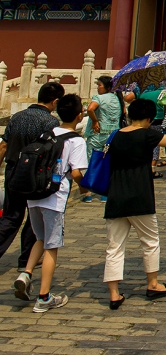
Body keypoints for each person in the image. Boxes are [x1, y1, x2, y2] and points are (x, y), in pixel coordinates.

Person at [104, 99, 166, 309]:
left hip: (116, 195)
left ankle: (114, 294)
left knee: (114, 247)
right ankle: (153, 284)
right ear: (149, 119)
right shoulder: (147, 134)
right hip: (140, 195)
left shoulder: (116, 135)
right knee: (150, 242)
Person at [13, 94, 87, 312]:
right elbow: (76, 172)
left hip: (33, 194)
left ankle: (26, 274)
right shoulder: (76, 140)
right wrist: (85, 188)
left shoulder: (47, 132)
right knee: (52, 246)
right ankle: (44, 297)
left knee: (40, 237)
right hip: (54, 197)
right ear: (79, 115)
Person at [0, 81, 64, 270]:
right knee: (34, 217)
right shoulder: (50, 122)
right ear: (55, 101)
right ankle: (26, 260)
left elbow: (4, 145)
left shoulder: (17, 117)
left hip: (13, 170)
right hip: (36, 175)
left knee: (11, 217)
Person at [82, 75, 125, 201]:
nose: (98, 88)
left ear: (107, 87)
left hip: (97, 133)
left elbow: (90, 109)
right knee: (108, 162)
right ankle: (105, 193)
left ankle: (88, 193)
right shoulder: (118, 99)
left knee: (91, 161)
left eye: (99, 85)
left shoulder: (99, 98)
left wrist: (95, 121)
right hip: (112, 134)